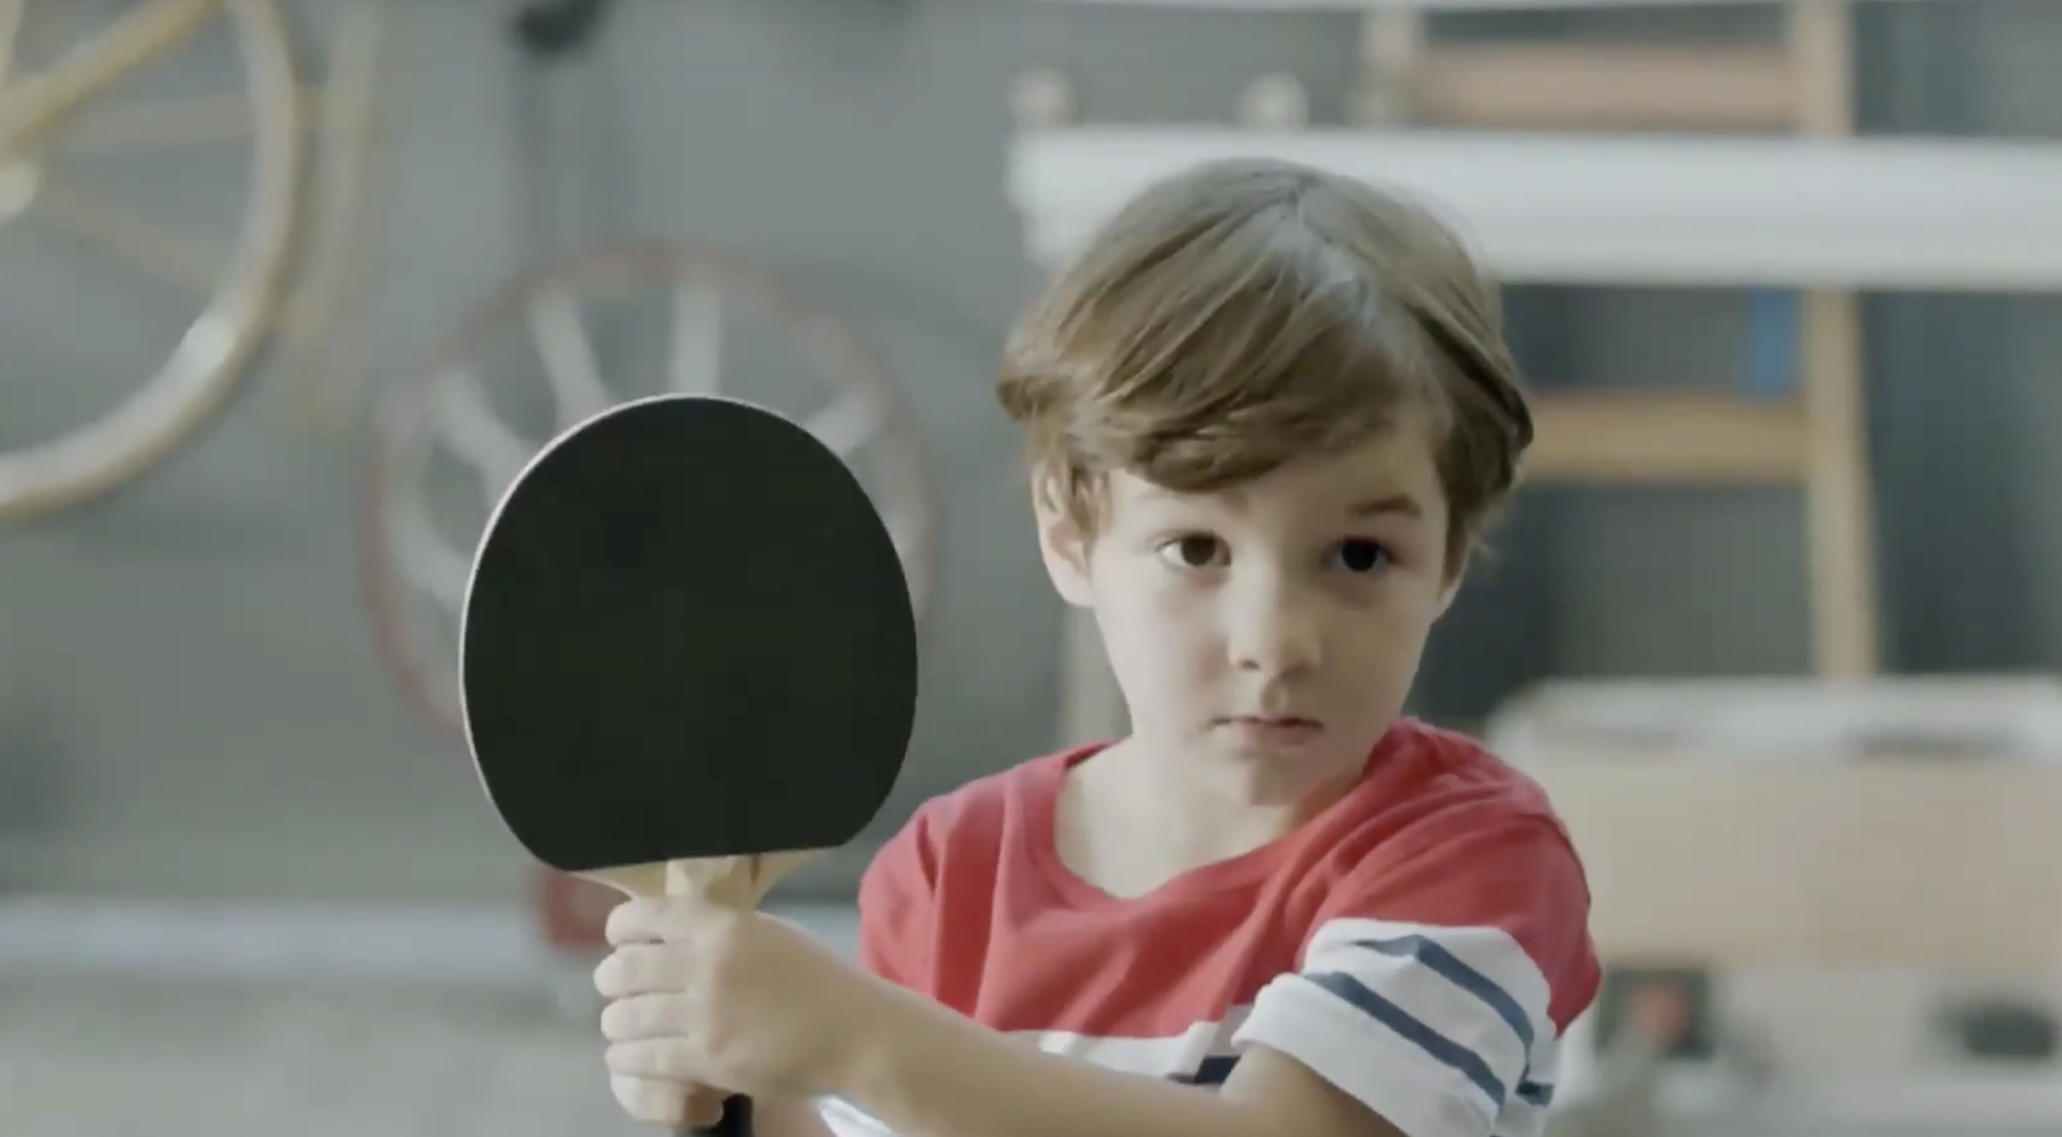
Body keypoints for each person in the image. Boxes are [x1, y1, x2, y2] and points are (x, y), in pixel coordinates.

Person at [590, 156, 1601, 1137]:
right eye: (1196, 549)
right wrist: (757, 1096)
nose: (1275, 641)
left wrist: (857, 1041)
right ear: (1071, 536)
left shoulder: (1472, 857)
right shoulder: (951, 870)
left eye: (1359, 555)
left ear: (1449, 558)